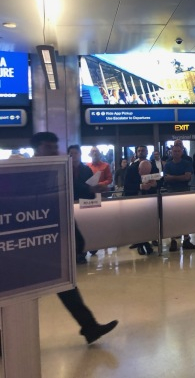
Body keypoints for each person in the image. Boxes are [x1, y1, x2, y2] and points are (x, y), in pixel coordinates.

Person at [31, 132, 119, 344]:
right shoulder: (28, 172)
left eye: (55, 147)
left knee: (64, 284)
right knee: (23, 291)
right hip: (35, 242)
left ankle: (89, 327)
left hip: (54, 237)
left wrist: (91, 189)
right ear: (37, 149)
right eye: (48, 147)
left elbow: (77, 190)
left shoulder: (58, 170)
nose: (54, 151)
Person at [164, 143, 195, 251]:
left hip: (184, 192)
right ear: (171, 152)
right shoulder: (167, 165)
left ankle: (186, 239)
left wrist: (173, 177)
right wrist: (180, 177)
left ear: (182, 152)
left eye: (178, 151)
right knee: (172, 217)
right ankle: (173, 240)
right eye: (174, 151)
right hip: (171, 193)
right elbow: (166, 178)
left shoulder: (187, 163)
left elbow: (187, 177)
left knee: (185, 216)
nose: (176, 153)